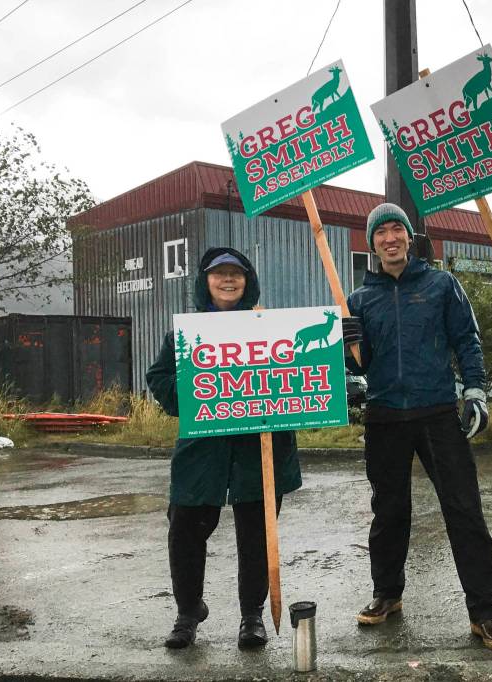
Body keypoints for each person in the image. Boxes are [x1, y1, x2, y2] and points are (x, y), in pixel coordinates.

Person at [341, 202, 492, 651]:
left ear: (409, 238)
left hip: (437, 411)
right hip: (384, 416)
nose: (390, 238)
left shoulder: (440, 285)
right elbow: (359, 366)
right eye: (381, 233)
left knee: (463, 509)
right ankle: (387, 594)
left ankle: (485, 612)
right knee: (389, 512)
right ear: (372, 243)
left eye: (397, 229)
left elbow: (466, 340)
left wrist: (475, 390)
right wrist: (348, 358)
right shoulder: (357, 301)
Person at [146, 247, 302, 650]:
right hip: (203, 451)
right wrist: (192, 399)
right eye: (219, 275)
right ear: (206, 281)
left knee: (256, 534)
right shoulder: (186, 332)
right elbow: (159, 377)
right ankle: (187, 613)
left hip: (259, 449)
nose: (228, 280)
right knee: (185, 530)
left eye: (236, 274)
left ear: (247, 281)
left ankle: (251, 616)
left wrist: (340, 346)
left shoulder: (271, 327)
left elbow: (304, 374)